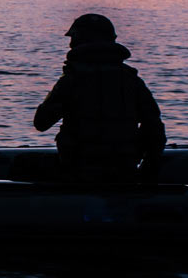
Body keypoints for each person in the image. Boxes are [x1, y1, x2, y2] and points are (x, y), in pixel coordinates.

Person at [34, 14, 166, 182]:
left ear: (80, 40)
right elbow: (154, 128)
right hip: (125, 171)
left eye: (73, 37)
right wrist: (148, 170)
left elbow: (41, 122)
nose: (70, 44)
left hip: (78, 172)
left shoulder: (72, 80)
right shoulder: (132, 81)